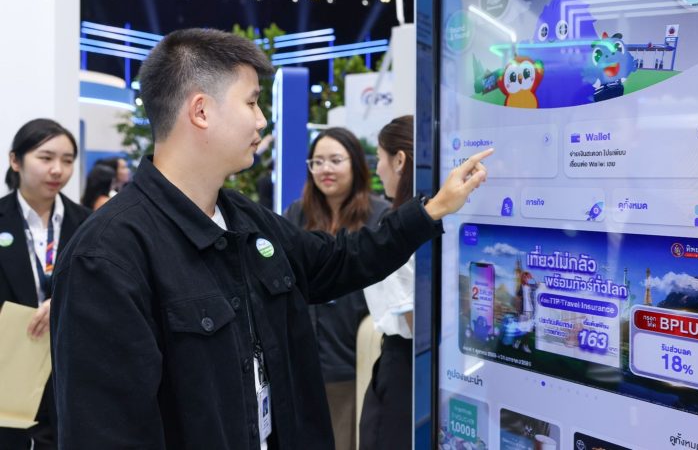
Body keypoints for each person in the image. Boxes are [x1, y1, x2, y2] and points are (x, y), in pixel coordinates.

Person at [50, 28, 491, 450]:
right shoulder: (108, 255)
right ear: (201, 111)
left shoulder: (245, 220)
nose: (261, 119)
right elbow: (110, 432)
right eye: (251, 102)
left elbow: (339, 260)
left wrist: (429, 211)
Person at [284, 127, 388, 450]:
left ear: (355, 164)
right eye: (317, 162)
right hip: (304, 361)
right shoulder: (296, 214)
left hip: (356, 359)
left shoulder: (379, 216)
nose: (325, 169)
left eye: (335, 160)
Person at [0, 118, 91, 450]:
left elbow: (102, 291)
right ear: (16, 161)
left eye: (67, 160)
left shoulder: (89, 224)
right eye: (46, 157)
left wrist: (63, 302)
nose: (58, 170)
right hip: (10, 366)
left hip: (70, 367)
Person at [358, 115, 416, 449]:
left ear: (399, 160)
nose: (377, 169)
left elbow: (412, 320)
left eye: (380, 158)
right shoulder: (437, 217)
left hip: (404, 368)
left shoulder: (400, 228)